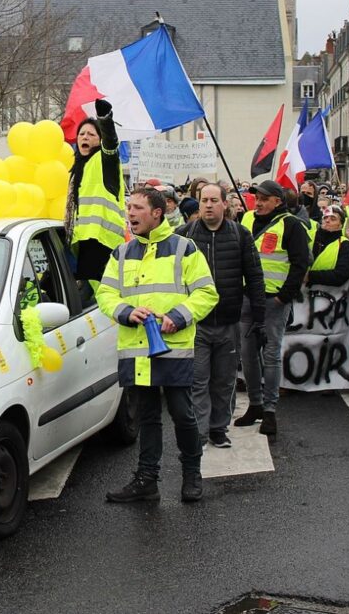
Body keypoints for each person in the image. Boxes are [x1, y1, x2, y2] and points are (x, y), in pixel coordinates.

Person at [97, 188, 218, 503]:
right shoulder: (121, 253)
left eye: (137, 207)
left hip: (173, 348)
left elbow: (206, 293)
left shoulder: (184, 249)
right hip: (137, 351)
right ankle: (146, 480)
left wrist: (178, 316)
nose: (130, 213)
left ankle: (192, 474)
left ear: (157, 212)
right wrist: (126, 312)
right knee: (147, 417)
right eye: (129, 207)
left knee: (182, 413)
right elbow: (105, 294)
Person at [176, 182, 264, 449]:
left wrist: (259, 315)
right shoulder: (184, 235)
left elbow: (254, 275)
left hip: (228, 321)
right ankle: (200, 432)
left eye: (214, 200)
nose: (209, 205)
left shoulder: (240, 235)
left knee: (224, 381)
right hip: (196, 323)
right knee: (198, 380)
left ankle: (218, 428)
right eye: (204, 200)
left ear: (225, 204)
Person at [236, 180, 310, 437]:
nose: (259, 202)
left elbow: (301, 263)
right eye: (257, 197)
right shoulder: (244, 219)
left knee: (271, 354)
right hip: (247, 298)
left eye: (265, 198)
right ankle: (255, 404)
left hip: (273, 300)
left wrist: (284, 297)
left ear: (278, 201)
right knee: (247, 353)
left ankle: (269, 410)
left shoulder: (292, 225)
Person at [65, 99, 125, 295]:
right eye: (81, 134)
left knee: (99, 297)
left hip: (102, 240)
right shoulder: (77, 166)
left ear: (99, 140)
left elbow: (111, 143)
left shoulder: (105, 160)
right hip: (85, 240)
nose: (85, 137)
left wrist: (105, 120)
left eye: (91, 134)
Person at [307, 205, 349, 287]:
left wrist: (309, 276)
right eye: (325, 217)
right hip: (300, 287)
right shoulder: (309, 236)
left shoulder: (344, 244)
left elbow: (341, 275)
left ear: (340, 225)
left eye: (333, 219)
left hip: (326, 292)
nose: (327, 220)